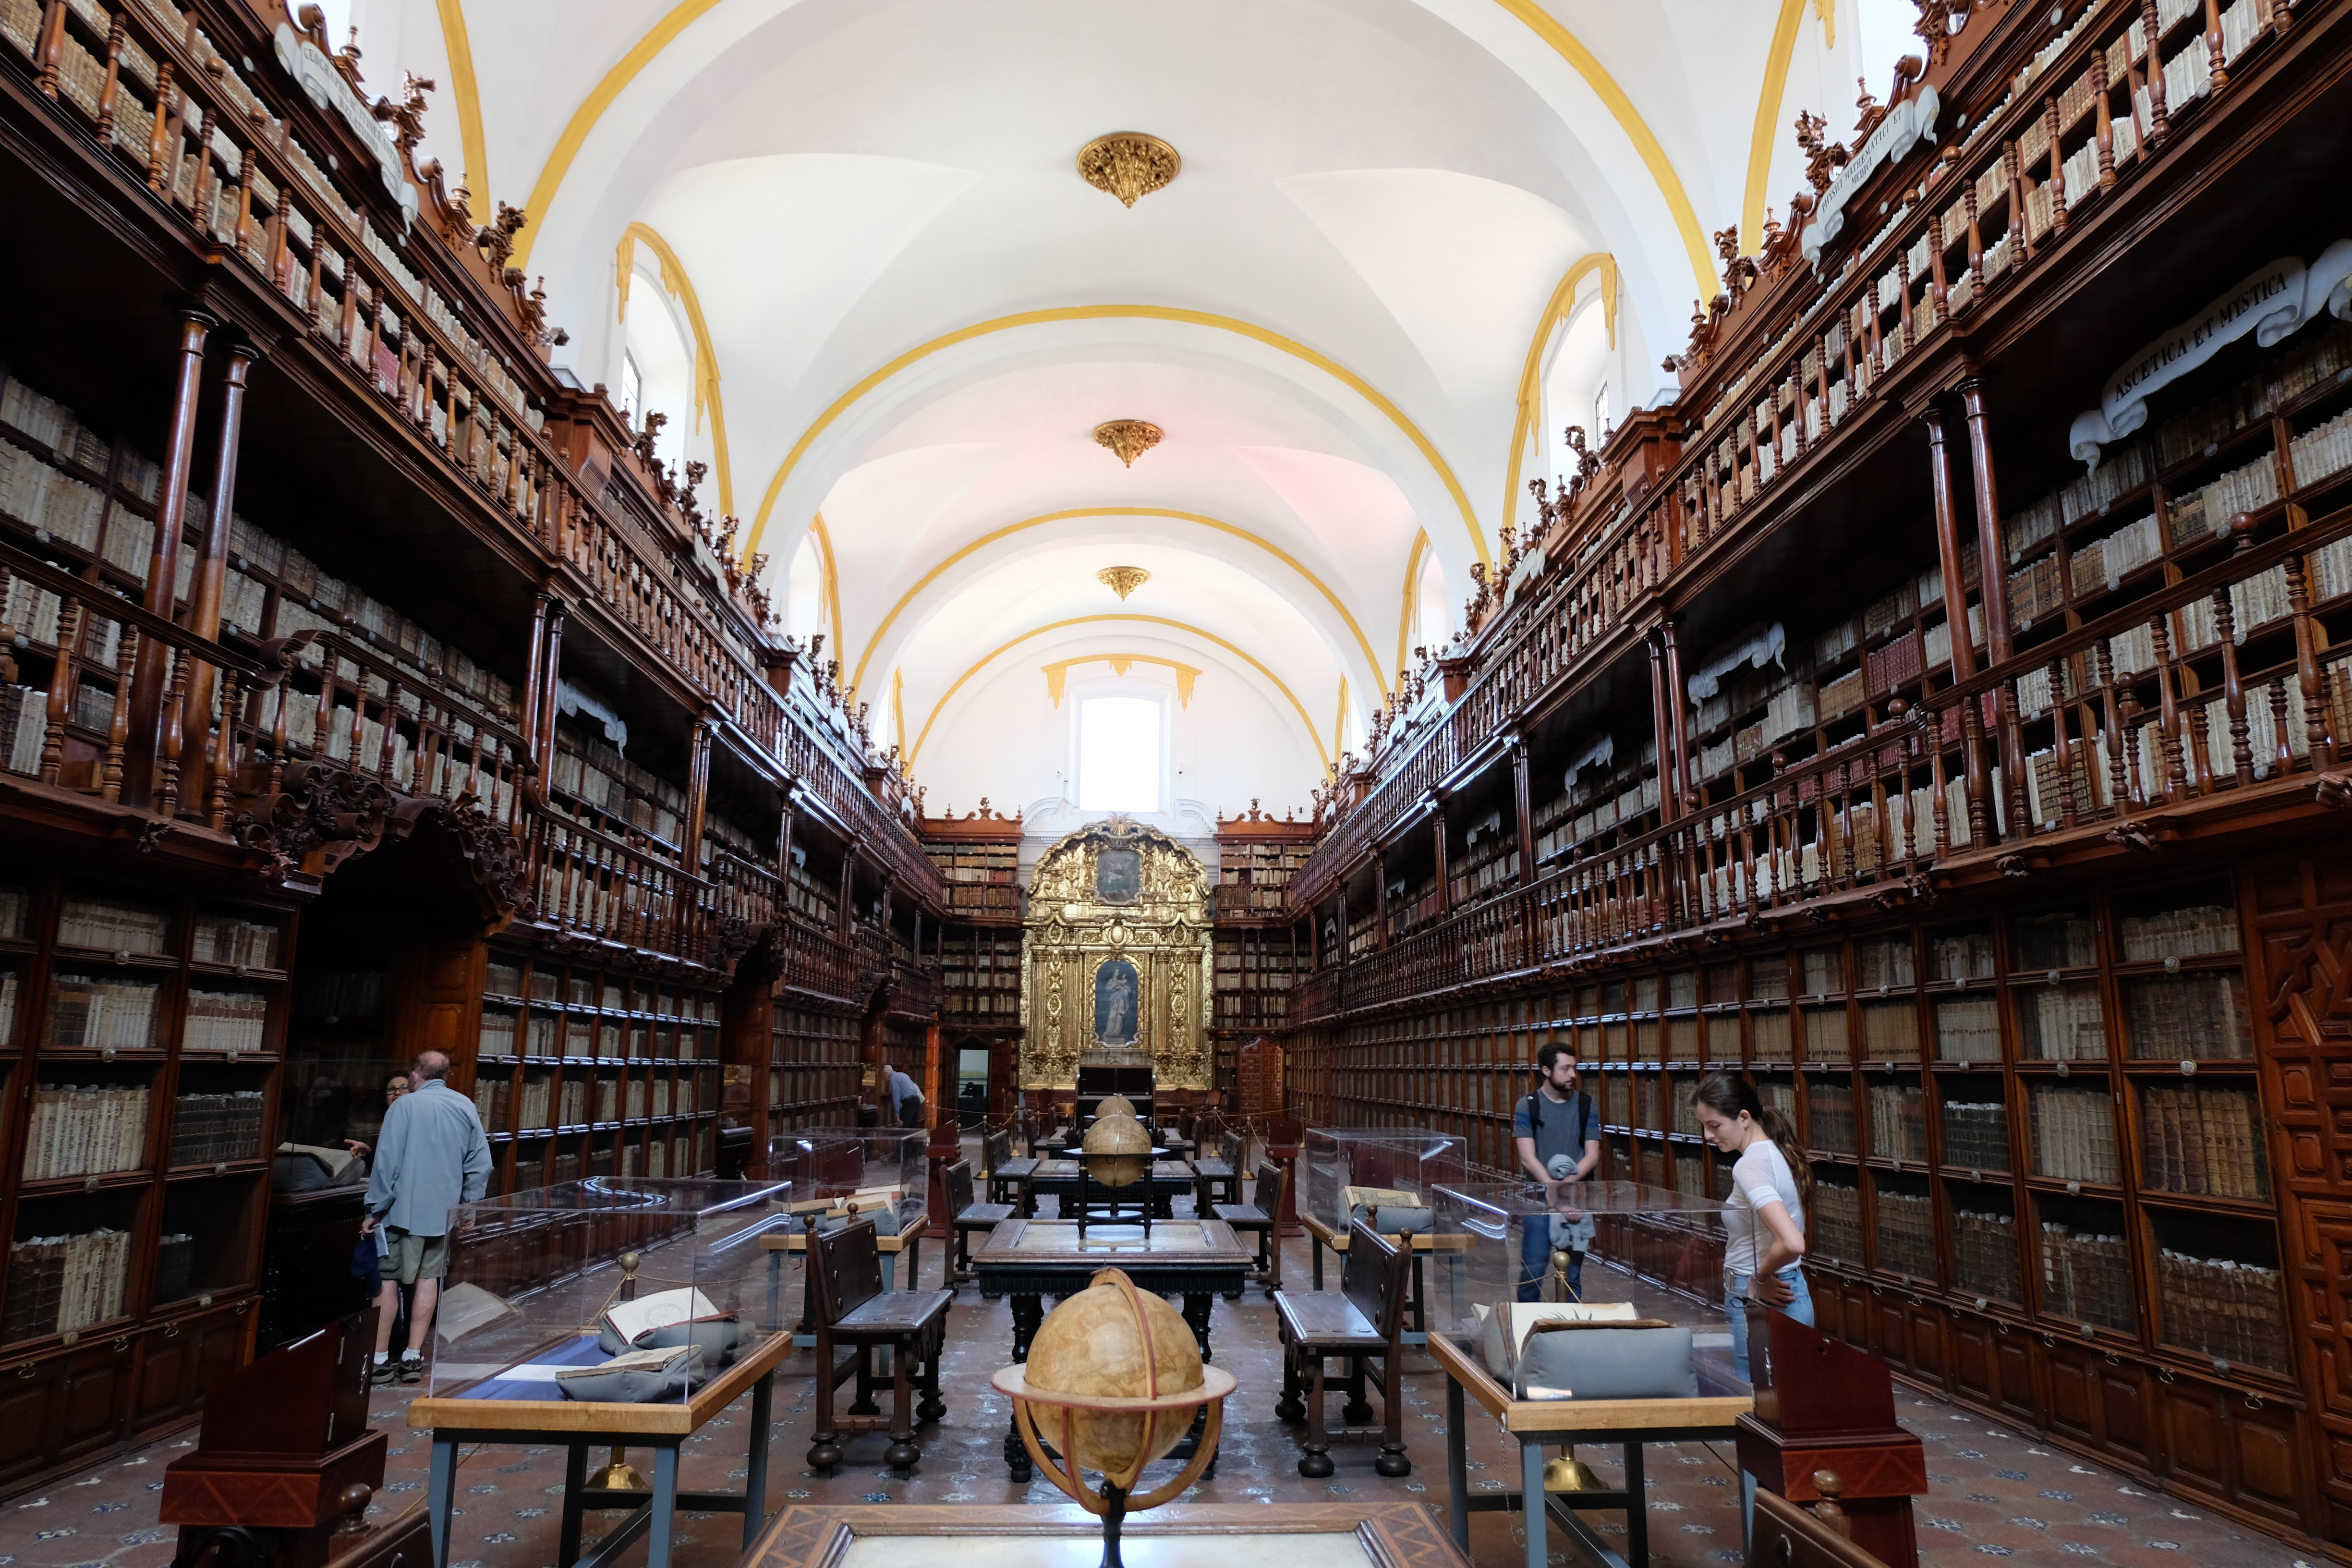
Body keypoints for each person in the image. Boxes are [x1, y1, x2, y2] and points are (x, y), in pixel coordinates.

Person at [361, 1051, 492, 1386]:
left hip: (400, 1214)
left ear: (415, 1076)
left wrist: (374, 1209)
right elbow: (481, 1163)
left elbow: (386, 1163)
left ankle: (378, 1360)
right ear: (445, 1075)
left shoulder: (404, 1106)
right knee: (428, 1278)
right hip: (441, 1214)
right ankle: (413, 1356)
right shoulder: (464, 1105)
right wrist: (468, 1207)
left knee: (387, 1282)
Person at [1691, 1071, 1811, 1383]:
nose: (1707, 1135)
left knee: (1759, 1402)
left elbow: (1793, 1241)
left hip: (1761, 1294)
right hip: (1782, 1290)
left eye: (1714, 1125)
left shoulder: (1750, 1165)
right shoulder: (1772, 1151)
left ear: (1743, 1117)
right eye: (1704, 1125)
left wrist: (1760, 1277)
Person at [1511, 1043, 1600, 1301]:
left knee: (1573, 1275)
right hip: (1539, 1198)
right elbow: (1528, 1158)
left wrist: (1563, 1190)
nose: (1573, 1074)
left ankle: (1572, 1333)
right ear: (1547, 1071)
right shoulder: (1528, 1105)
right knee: (1533, 1270)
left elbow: (1592, 1156)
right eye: (1567, 1068)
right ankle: (1528, 1335)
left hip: (1575, 1199)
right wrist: (1551, 1188)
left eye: (1575, 1068)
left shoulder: (1586, 1105)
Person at [877, 1056, 925, 1129]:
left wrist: (897, 1114)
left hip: (909, 1102)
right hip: (916, 1100)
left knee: (903, 1127)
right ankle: (911, 1140)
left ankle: (904, 1141)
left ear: (886, 1073)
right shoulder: (903, 1075)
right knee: (912, 1127)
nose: (884, 1078)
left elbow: (896, 1097)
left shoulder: (894, 1079)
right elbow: (915, 1086)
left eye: (883, 1076)